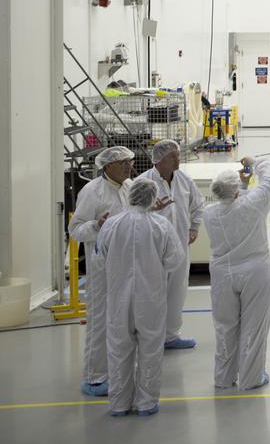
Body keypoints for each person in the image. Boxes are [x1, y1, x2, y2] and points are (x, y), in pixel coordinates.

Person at [98, 178, 183, 416]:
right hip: (150, 298)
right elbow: (174, 260)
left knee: (119, 348)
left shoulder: (112, 224)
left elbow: (99, 257)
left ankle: (119, 403)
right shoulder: (161, 225)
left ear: (131, 195)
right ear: (152, 198)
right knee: (151, 348)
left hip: (119, 298)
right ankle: (146, 403)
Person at [204, 155, 270, 391]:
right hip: (255, 272)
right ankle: (251, 378)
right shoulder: (253, 205)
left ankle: (223, 378)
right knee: (254, 327)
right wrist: (255, 162)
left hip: (223, 275)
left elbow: (232, 207)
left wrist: (243, 186)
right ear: (236, 190)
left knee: (225, 327)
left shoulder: (209, 213)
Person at [69, 145, 135, 396]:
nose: (129, 166)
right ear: (108, 166)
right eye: (123, 162)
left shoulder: (129, 187)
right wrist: (97, 225)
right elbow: (75, 231)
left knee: (125, 321)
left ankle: (119, 371)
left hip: (128, 265)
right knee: (100, 322)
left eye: (130, 161)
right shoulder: (92, 191)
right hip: (102, 268)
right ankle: (95, 378)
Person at [139, 140, 205, 350]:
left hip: (180, 245)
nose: (178, 159)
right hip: (152, 248)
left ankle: (170, 335)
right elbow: (132, 213)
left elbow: (198, 204)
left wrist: (194, 227)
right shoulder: (143, 183)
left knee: (177, 291)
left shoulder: (184, 180)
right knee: (152, 292)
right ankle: (149, 336)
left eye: (178, 155)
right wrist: (150, 210)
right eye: (173, 156)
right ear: (159, 160)